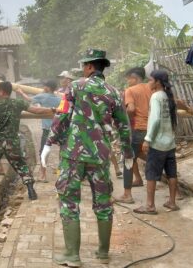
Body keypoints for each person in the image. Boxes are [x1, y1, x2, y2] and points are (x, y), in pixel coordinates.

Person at [45, 49, 132, 266]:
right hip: (101, 155)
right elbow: (124, 126)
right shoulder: (114, 92)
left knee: (69, 202)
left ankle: (72, 255)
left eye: (85, 65)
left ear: (91, 66)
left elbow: (62, 114)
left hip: (73, 154)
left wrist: (48, 143)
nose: (83, 69)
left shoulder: (76, 86)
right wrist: (128, 152)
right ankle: (103, 253)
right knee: (103, 203)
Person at [0, 81, 55, 205]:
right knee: (21, 165)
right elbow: (36, 110)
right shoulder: (18, 103)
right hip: (12, 140)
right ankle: (31, 191)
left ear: (1, 91)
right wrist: (52, 109)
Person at [133, 70, 179, 214]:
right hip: (169, 142)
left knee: (151, 174)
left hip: (158, 143)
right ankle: (172, 202)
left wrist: (148, 139)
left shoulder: (155, 97)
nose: (149, 83)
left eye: (151, 80)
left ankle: (150, 206)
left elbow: (155, 119)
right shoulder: (167, 96)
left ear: (157, 82)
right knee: (172, 173)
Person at [115, 67, 152, 204]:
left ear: (134, 78)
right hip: (152, 129)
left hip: (138, 129)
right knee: (149, 156)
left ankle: (127, 195)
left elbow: (130, 109)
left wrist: (125, 117)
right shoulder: (151, 87)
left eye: (128, 79)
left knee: (128, 160)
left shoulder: (130, 91)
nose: (127, 82)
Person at [16, 80, 61, 182]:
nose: (43, 87)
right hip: (58, 128)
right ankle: (62, 173)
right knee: (62, 150)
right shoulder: (58, 98)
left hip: (47, 129)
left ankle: (43, 175)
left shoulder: (43, 96)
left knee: (44, 151)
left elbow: (29, 99)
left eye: (44, 86)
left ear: (48, 88)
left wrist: (21, 92)